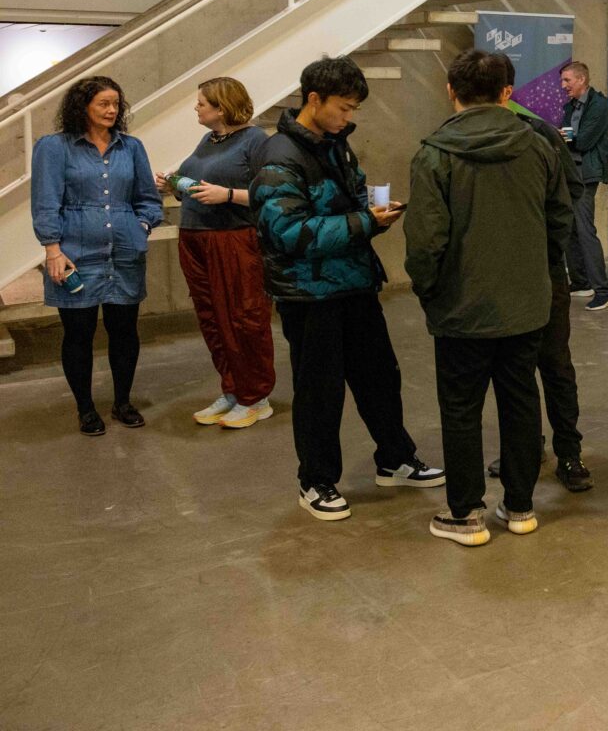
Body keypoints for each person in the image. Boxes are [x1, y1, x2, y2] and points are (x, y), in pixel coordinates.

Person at [252, 55, 444, 522]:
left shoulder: (335, 145)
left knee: (379, 376)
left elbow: (350, 199)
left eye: (354, 109)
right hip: (308, 294)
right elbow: (289, 234)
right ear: (313, 99)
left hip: (354, 283)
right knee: (320, 391)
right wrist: (362, 221)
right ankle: (315, 481)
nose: (349, 117)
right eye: (344, 107)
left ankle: (394, 458)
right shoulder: (280, 156)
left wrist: (371, 214)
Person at [405, 50, 575, 547]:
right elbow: (560, 219)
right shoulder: (540, 147)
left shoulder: (434, 155)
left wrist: (430, 292)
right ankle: (520, 507)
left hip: (461, 309)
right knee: (521, 401)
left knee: (461, 409)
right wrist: (536, 276)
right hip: (526, 305)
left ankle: (466, 515)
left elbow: (425, 243)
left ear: (451, 92)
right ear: (507, 93)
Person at [30, 76, 165, 436]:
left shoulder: (131, 147)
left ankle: (122, 402)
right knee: (78, 334)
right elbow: (45, 202)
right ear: (83, 106)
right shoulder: (54, 147)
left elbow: (149, 201)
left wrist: (141, 226)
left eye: (116, 104)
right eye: (103, 103)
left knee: (124, 332)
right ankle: (86, 408)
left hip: (124, 253)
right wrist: (52, 249)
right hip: (74, 255)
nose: (111, 110)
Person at [493, 55, 594, 494]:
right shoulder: (467, 142)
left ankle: (569, 452)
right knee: (513, 371)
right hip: (503, 276)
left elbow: (568, 195)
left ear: (506, 94)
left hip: (545, 273)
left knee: (554, 365)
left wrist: (546, 246)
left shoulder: (540, 137)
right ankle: (525, 448)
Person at [157, 78, 275, 429]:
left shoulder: (255, 141)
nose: (196, 108)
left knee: (244, 317)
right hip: (196, 238)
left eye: (201, 103)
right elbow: (195, 183)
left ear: (221, 107)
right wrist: (173, 184)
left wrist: (228, 195)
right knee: (212, 318)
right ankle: (234, 390)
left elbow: (272, 193)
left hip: (234, 239)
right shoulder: (209, 140)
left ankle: (257, 397)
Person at [560, 61, 608, 310]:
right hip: (570, 173)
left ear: (582, 80)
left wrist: (567, 135)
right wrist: (567, 136)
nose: (564, 86)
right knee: (570, 229)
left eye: (567, 81)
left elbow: (582, 140)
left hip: (586, 175)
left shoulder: (599, 107)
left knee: (584, 230)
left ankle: (604, 291)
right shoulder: (570, 106)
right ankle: (581, 282)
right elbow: (568, 136)